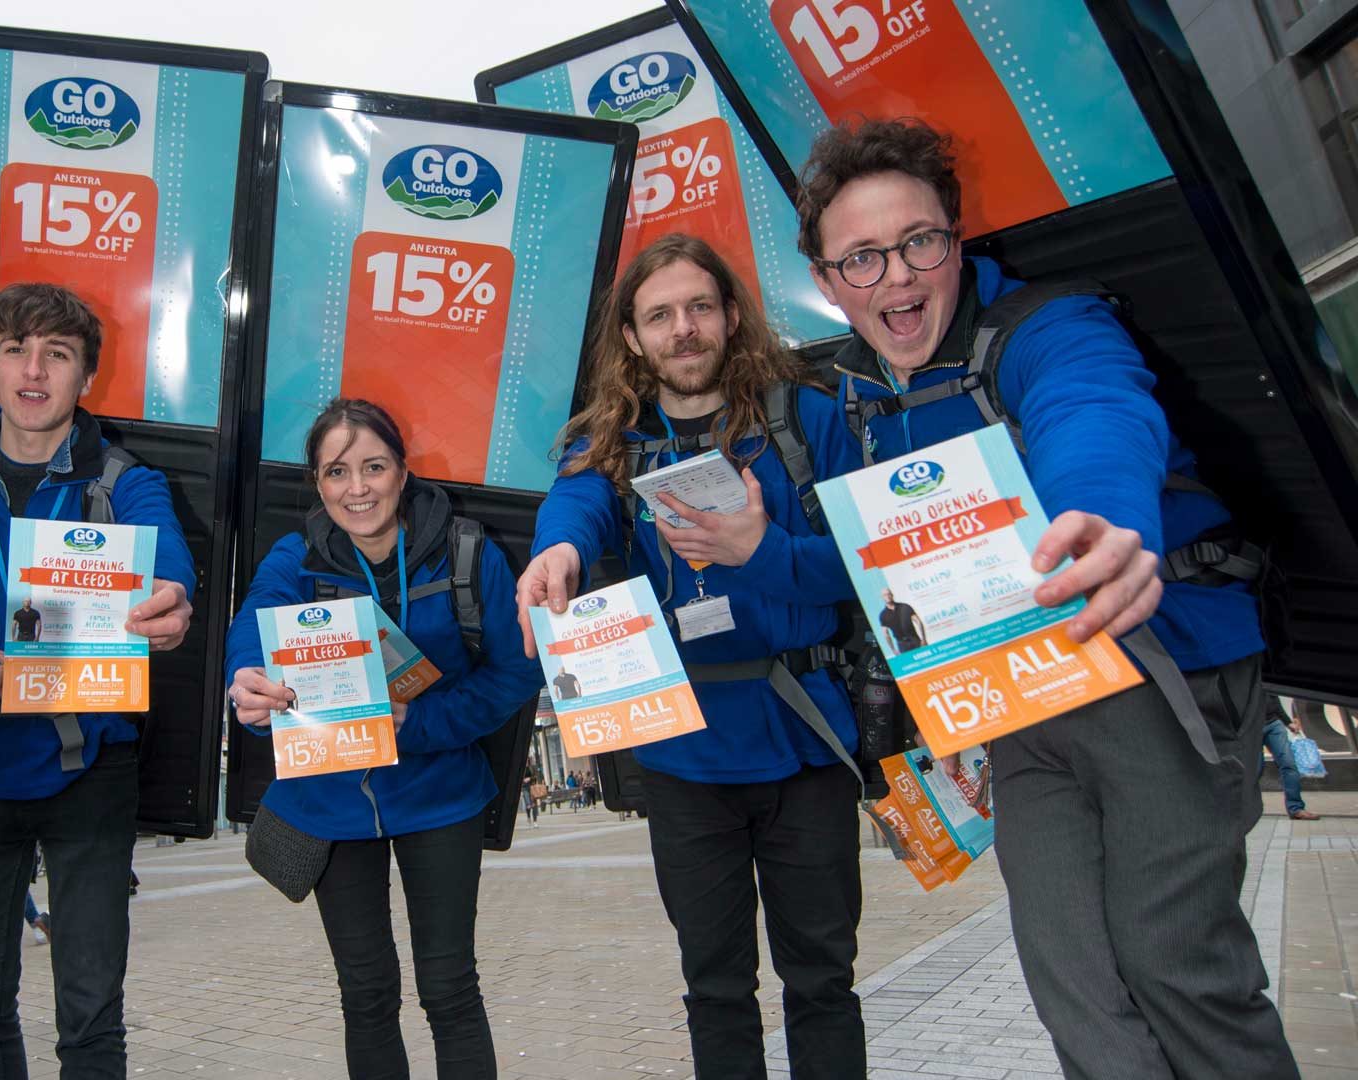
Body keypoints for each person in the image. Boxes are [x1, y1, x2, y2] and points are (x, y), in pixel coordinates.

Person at [796, 117, 1297, 1078]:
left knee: (1176, 963)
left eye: (919, 242)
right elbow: (862, 566)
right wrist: (751, 551)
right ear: (827, 280)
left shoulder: (1043, 327)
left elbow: (1093, 406)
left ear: (956, 239)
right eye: (862, 258)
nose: (897, 277)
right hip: (1021, 701)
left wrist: (1103, 516)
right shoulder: (854, 400)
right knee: (1072, 981)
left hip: (1157, 660)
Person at [515, 232, 865, 1077]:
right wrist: (557, 551)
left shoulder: (804, 417)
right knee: (715, 988)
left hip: (806, 737)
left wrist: (764, 553)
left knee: (823, 980)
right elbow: (576, 502)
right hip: (684, 754)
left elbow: (870, 559)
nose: (684, 328)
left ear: (732, 316)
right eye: (660, 315)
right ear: (632, 338)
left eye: (700, 306)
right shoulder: (613, 441)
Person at [0, 282, 195, 1079]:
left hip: (87, 769)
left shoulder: (122, 482)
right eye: (15, 349)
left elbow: (166, 565)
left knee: (90, 1014)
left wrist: (169, 601)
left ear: (86, 375)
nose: (33, 370)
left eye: (57, 354)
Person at [225, 398, 542, 1079]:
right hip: (334, 805)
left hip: (440, 794)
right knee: (366, 995)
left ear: (402, 470)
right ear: (317, 482)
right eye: (336, 472)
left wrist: (418, 723)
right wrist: (245, 677)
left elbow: (516, 673)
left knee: (449, 987)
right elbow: (252, 619)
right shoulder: (296, 559)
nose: (357, 488)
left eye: (373, 467)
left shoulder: (466, 552)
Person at [1263, 696, 1317, 821]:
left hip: (1273, 724)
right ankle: (1244, 811)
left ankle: (1296, 809)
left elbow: (1274, 699)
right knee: (1254, 770)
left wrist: (1287, 722)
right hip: (1249, 728)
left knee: (1289, 764)